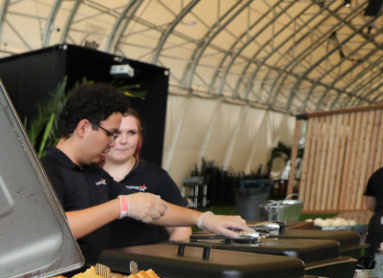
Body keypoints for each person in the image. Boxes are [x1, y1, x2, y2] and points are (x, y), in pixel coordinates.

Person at [41, 83, 250, 265]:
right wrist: (121, 206)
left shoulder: (95, 173)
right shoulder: (47, 171)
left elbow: (149, 206)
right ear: (83, 128)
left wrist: (205, 220)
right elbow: (53, 231)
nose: (113, 143)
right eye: (111, 134)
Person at [101, 108, 191, 246]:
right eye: (116, 133)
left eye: (131, 133)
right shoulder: (86, 174)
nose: (123, 140)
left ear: (140, 137)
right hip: (91, 260)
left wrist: (166, 257)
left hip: (141, 259)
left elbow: (181, 227)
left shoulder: (156, 177)